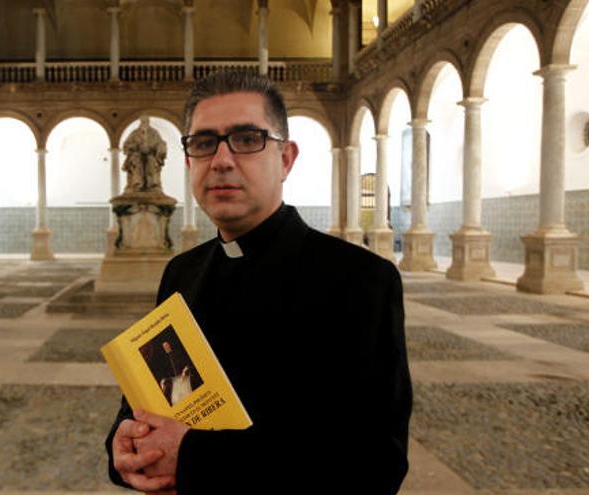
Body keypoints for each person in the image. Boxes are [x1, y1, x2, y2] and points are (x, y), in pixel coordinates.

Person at [104, 70, 413, 494]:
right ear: (190, 160)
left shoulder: (360, 281)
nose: (223, 160)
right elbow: (149, 399)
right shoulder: (182, 272)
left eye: (247, 139)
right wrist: (122, 442)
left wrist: (194, 457)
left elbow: (374, 464)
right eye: (204, 142)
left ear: (285, 159)